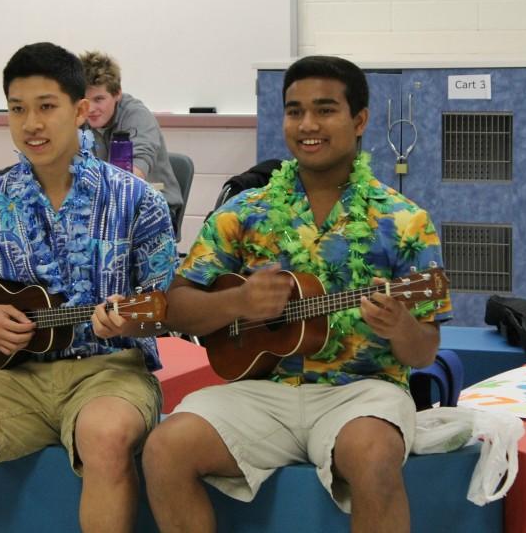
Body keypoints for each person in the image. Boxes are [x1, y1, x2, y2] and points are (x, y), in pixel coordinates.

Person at [143, 55, 453, 533]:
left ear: (360, 120)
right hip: (260, 391)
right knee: (165, 448)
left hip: (361, 394)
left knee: (373, 458)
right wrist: (237, 303)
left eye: (325, 110)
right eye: (294, 111)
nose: (307, 124)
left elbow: (424, 349)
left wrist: (400, 325)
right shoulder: (244, 211)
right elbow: (177, 309)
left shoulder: (404, 220)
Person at [0, 42, 177, 533]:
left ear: (81, 111)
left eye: (47, 107)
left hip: (109, 372)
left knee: (105, 436)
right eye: (17, 109)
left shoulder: (135, 198)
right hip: (15, 377)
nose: (31, 124)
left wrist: (129, 317)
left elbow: (168, 303)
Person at [79, 51, 183, 227]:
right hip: (104, 207)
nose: (91, 109)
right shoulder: (79, 115)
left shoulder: (137, 116)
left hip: (156, 208)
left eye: (99, 99)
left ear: (117, 94)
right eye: (85, 100)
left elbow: (132, 178)